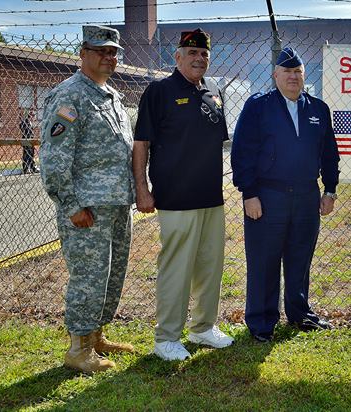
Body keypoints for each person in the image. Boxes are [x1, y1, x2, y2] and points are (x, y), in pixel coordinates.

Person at [39, 25, 135, 374]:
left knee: (111, 274)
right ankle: (78, 348)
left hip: (117, 203)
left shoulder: (111, 96)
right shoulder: (70, 96)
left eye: (113, 52)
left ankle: (96, 336)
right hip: (87, 208)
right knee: (89, 276)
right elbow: (54, 157)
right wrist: (70, 205)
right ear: (83, 54)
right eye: (101, 51)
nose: (109, 57)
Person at [133, 28, 233, 361]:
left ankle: (203, 327)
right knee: (176, 269)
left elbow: (216, 142)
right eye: (192, 53)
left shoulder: (213, 92)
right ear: (177, 57)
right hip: (176, 198)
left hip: (211, 197)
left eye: (204, 54)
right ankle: (166, 337)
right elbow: (141, 143)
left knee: (210, 267)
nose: (199, 58)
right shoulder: (159, 91)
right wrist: (142, 189)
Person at [231, 47, 340, 341]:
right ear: (275, 75)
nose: (293, 77)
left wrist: (330, 189)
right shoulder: (258, 106)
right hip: (268, 196)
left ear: (304, 75)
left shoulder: (318, 109)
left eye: (297, 72)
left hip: (306, 196)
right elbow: (242, 152)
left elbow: (329, 153)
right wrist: (249, 193)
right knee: (264, 261)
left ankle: (300, 313)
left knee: (300, 258)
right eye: (287, 72)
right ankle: (261, 322)